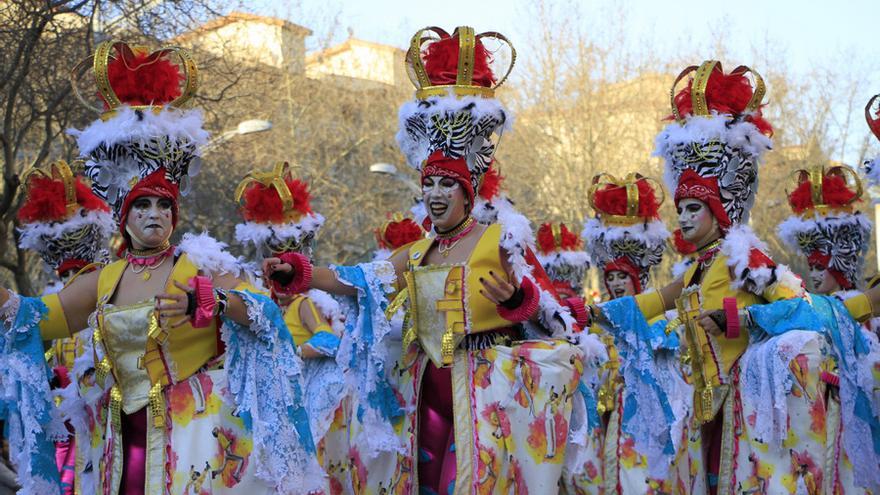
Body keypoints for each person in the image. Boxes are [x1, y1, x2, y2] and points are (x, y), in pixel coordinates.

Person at [264, 26, 600, 494]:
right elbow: (360, 279)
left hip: (484, 393)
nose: (436, 194)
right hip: (424, 394)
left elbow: (555, 315)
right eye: (430, 184)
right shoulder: (419, 251)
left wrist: (517, 301)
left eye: (447, 185)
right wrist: (299, 273)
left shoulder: (501, 239)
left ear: (467, 192)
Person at [0, 40, 320, 494]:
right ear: (123, 216)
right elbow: (45, 317)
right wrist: (7, 301)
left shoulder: (201, 264)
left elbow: (263, 313)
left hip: (193, 440)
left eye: (163, 205)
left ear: (175, 213)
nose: (154, 214)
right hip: (119, 439)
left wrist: (207, 299)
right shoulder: (103, 278)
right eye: (142, 205)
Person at [234, 162, 349, 494]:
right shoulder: (255, 303)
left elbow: (329, 340)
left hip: (299, 391)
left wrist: (295, 353)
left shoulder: (304, 305)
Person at [15, 159, 115, 495]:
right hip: (68, 424)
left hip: (107, 418)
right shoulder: (52, 304)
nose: (74, 284)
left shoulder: (110, 295)